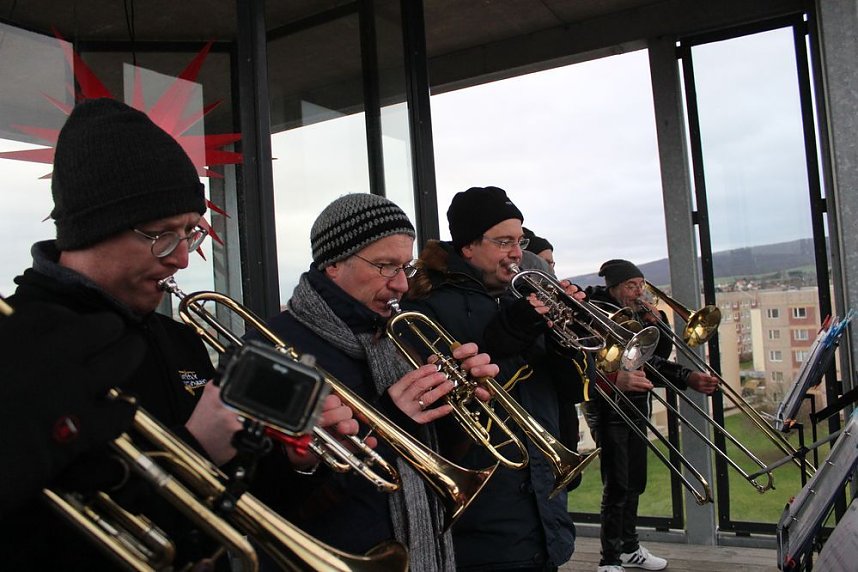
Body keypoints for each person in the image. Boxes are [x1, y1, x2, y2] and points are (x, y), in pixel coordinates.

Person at [0, 98, 353, 570]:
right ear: (91, 228)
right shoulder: (18, 344)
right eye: (162, 234)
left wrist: (295, 461)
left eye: (190, 233)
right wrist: (193, 447)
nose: (182, 259)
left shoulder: (178, 339)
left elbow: (239, 504)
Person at [247, 192, 500, 572]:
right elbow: (273, 498)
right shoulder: (272, 345)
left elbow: (440, 455)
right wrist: (390, 419)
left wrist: (462, 405)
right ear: (333, 263)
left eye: (406, 267)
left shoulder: (403, 335)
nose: (401, 285)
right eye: (385, 266)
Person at [403, 185, 590, 571]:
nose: (516, 252)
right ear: (468, 246)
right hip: (485, 517)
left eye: (519, 241)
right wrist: (511, 335)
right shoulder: (428, 305)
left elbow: (570, 392)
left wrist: (566, 341)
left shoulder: (521, 295)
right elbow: (455, 399)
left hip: (544, 509)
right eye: (503, 241)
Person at [583, 259, 719, 572]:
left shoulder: (638, 312)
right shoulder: (597, 312)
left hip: (636, 404)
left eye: (641, 284)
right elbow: (599, 363)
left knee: (635, 481)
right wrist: (684, 375)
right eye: (632, 285)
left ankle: (629, 548)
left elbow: (654, 359)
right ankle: (609, 558)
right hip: (607, 408)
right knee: (617, 484)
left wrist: (659, 325)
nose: (639, 291)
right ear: (615, 287)